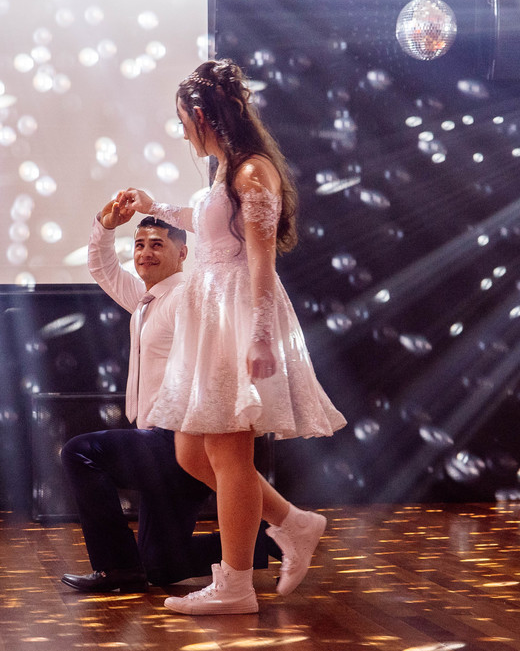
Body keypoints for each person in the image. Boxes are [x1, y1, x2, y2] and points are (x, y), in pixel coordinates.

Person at [118, 58, 346, 615]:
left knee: (226, 452)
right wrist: (155, 207)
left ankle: (237, 585)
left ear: (201, 115)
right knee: (192, 450)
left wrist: (262, 337)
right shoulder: (226, 172)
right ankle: (293, 523)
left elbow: (263, 261)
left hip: (236, 317)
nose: (182, 133)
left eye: (182, 122)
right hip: (210, 314)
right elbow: (209, 223)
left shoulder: (251, 173)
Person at [60, 196, 276, 592]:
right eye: (139, 246)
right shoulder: (145, 300)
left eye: (157, 244)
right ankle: (260, 543)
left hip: (175, 442)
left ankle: (115, 568)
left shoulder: (185, 297)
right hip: (158, 445)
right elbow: (102, 268)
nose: (145, 253)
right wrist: (105, 225)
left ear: (183, 253)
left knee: (81, 451)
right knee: (158, 569)